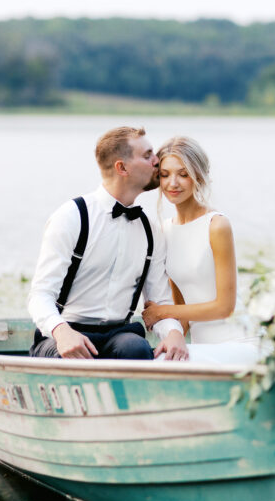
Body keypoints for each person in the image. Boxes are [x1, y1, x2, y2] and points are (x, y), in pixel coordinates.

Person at [27, 127, 189, 361]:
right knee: (67, 358)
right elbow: (40, 295)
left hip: (119, 334)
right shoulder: (72, 217)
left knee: (137, 349)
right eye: (147, 156)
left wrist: (174, 332)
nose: (158, 161)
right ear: (122, 167)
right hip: (64, 332)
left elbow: (159, 301)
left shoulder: (151, 230)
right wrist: (61, 332)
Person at [141, 136, 263, 365]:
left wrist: (162, 311)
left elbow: (224, 307)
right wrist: (171, 336)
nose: (173, 183)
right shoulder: (164, 231)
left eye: (183, 174)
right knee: (155, 359)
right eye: (165, 174)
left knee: (162, 364)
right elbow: (180, 310)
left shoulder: (217, 225)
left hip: (239, 342)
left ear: (197, 175)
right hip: (201, 347)